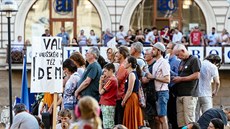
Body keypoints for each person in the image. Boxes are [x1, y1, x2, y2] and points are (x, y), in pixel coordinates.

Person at [172, 44, 201, 128]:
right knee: (181, 122)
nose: (177, 57)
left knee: (189, 121)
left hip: (190, 94)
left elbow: (196, 75)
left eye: (178, 55)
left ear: (183, 51)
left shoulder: (194, 59)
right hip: (180, 94)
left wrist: (180, 79)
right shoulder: (182, 61)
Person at [147, 42, 170, 129]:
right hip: (157, 92)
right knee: (158, 118)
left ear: (159, 51)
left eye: (154, 49)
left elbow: (167, 79)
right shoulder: (156, 63)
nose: (152, 51)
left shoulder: (164, 63)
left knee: (162, 117)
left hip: (162, 92)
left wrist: (153, 77)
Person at [196, 54, 221, 120]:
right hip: (206, 94)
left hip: (196, 93)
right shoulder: (213, 66)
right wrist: (215, 91)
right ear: (215, 61)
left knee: (196, 117)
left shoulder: (199, 63)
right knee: (208, 116)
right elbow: (217, 82)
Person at [122, 56, 144, 129]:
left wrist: (124, 100)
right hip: (131, 97)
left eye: (125, 62)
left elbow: (129, 90)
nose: (124, 63)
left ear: (129, 64)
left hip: (132, 98)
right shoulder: (132, 74)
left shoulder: (132, 74)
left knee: (131, 117)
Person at [166, 42, 180, 129]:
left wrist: (168, 69)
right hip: (167, 89)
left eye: (168, 48)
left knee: (173, 114)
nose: (166, 49)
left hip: (173, 90)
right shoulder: (166, 60)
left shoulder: (177, 61)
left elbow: (178, 76)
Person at [99, 63, 118, 128]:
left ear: (111, 70)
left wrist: (101, 82)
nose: (104, 73)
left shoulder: (111, 80)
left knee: (108, 124)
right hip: (107, 104)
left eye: (105, 71)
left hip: (108, 104)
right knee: (107, 123)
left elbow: (101, 92)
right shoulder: (111, 79)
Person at [142, 48, 157, 129]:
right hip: (148, 94)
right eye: (144, 54)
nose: (144, 55)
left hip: (154, 95)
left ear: (152, 55)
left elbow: (145, 80)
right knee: (150, 118)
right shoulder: (148, 65)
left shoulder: (154, 65)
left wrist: (140, 78)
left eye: (146, 54)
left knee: (155, 118)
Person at [114, 46, 129, 125]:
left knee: (119, 122)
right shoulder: (122, 66)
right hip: (121, 96)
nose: (116, 54)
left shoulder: (122, 66)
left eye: (118, 53)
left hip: (120, 96)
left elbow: (117, 82)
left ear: (122, 54)